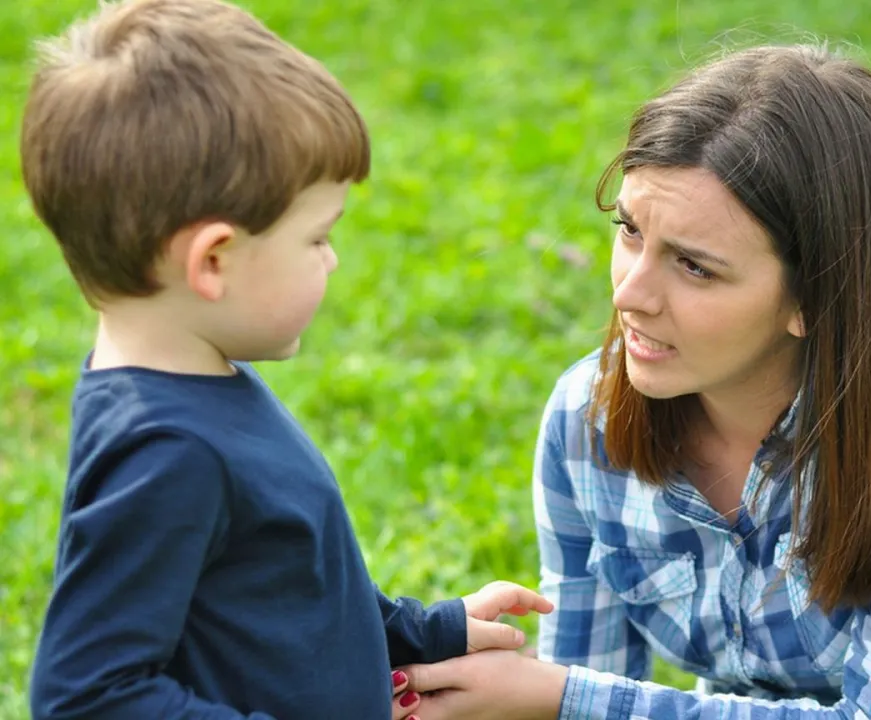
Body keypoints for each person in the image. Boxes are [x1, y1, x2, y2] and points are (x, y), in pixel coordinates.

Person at [392, 43, 871, 718]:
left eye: (694, 266)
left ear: (817, 296)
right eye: (628, 231)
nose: (629, 295)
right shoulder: (585, 419)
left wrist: (557, 697)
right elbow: (590, 687)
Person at [21, 1, 551, 718]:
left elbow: (280, 587)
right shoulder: (168, 454)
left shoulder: (196, 382)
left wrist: (424, 632)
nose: (332, 259)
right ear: (215, 260)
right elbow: (86, 695)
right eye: (316, 238)